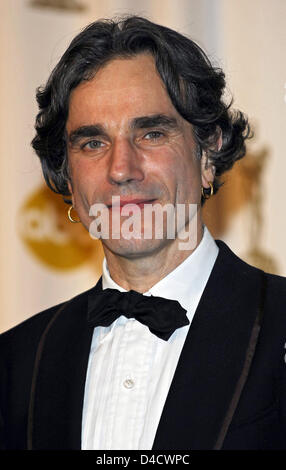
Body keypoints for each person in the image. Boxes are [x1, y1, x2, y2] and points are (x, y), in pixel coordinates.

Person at [0, 15, 286, 451]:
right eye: (92, 143)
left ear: (208, 153)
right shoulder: (15, 362)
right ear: (68, 178)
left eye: (151, 133)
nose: (121, 169)